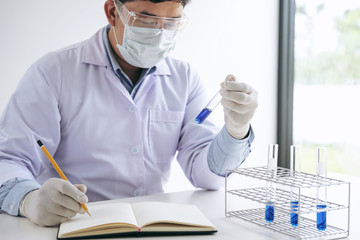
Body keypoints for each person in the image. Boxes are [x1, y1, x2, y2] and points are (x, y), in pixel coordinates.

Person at [0, 0, 258, 227]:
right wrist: (28, 199)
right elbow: (8, 160)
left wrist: (235, 131)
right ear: (113, 12)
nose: (159, 34)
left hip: (153, 226)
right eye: (146, 20)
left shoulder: (185, 78)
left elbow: (208, 177)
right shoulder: (53, 72)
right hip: (78, 225)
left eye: (171, 23)